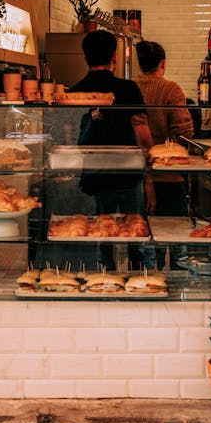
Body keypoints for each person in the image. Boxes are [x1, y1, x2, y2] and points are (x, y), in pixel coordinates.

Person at [68, 30, 153, 269]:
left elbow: (69, 140)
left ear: (85, 58)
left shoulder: (74, 92)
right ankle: (139, 281)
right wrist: (150, 180)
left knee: (99, 234)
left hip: (94, 178)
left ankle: (104, 281)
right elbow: (144, 139)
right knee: (135, 234)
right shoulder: (129, 89)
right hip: (129, 175)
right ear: (114, 57)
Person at [134, 39, 194, 267]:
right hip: (170, 177)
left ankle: (149, 282)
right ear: (163, 63)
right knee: (175, 235)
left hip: (138, 176)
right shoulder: (171, 90)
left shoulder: (131, 88)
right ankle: (176, 284)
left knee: (145, 240)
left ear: (140, 64)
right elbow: (185, 131)